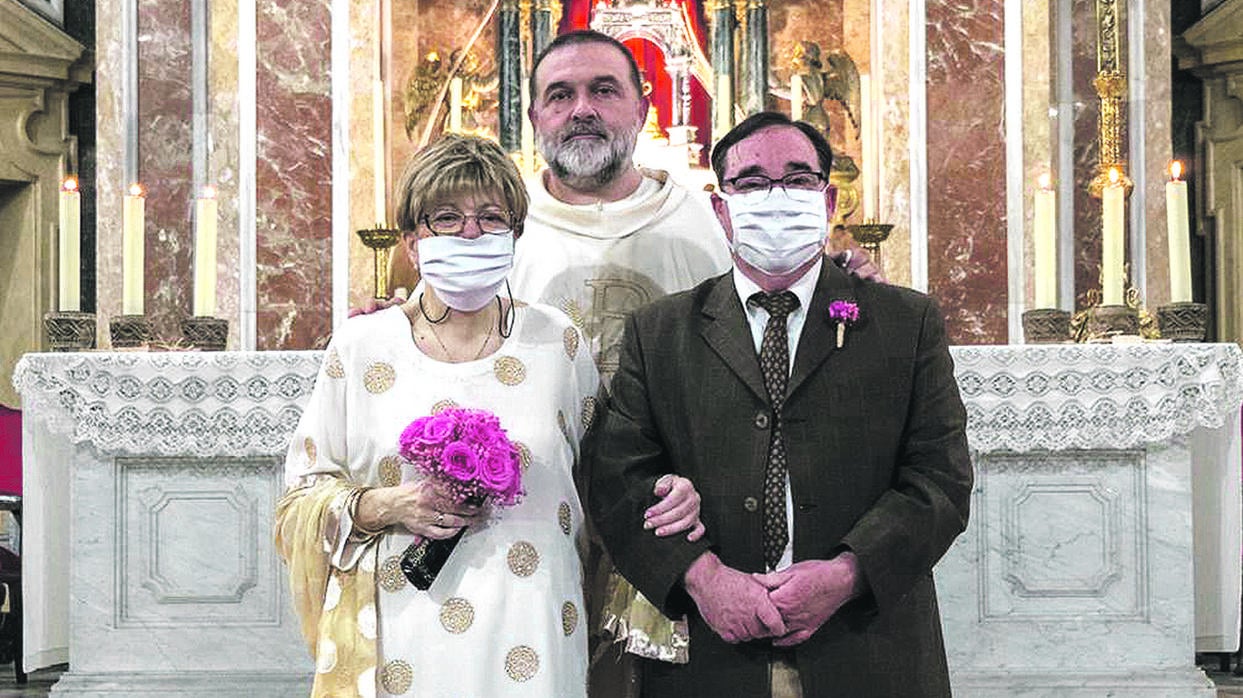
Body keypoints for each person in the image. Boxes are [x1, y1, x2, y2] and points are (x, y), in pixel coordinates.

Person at [275, 134, 705, 698]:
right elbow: (300, 500)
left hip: (534, 623)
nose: (470, 233)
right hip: (401, 625)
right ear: (411, 241)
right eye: (446, 218)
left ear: (516, 234)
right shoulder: (361, 347)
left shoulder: (557, 342)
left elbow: (609, 481)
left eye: (491, 217)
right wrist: (389, 503)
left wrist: (668, 491)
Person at [587, 111, 973, 697]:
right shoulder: (661, 331)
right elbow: (619, 478)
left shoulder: (905, 322)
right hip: (711, 653)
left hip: (866, 645)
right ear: (721, 208)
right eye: (751, 182)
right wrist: (704, 578)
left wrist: (848, 574)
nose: (776, 197)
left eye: (797, 179)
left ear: (827, 199)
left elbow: (940, 480)